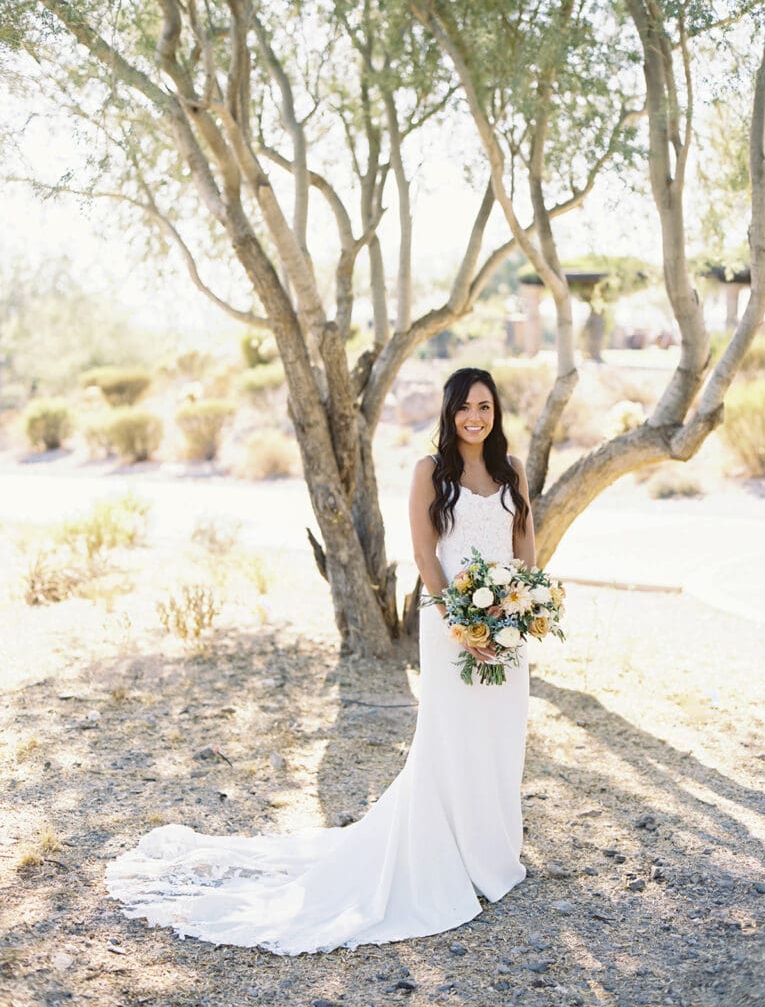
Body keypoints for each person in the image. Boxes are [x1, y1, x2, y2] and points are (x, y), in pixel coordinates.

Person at [106, 366, 535, 955]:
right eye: (464, 407)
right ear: (449, 411)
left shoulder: (513, 470)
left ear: (496, 412)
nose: (474, 418)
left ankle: (494, 848)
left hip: (509, 626)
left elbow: (524, 544)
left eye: (484, 406)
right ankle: (453, 851)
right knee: (454, 733)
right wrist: (462, 624)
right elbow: (424, 554)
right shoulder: (429, 471)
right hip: (451, 624)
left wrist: (517, 610)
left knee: (501, 731)